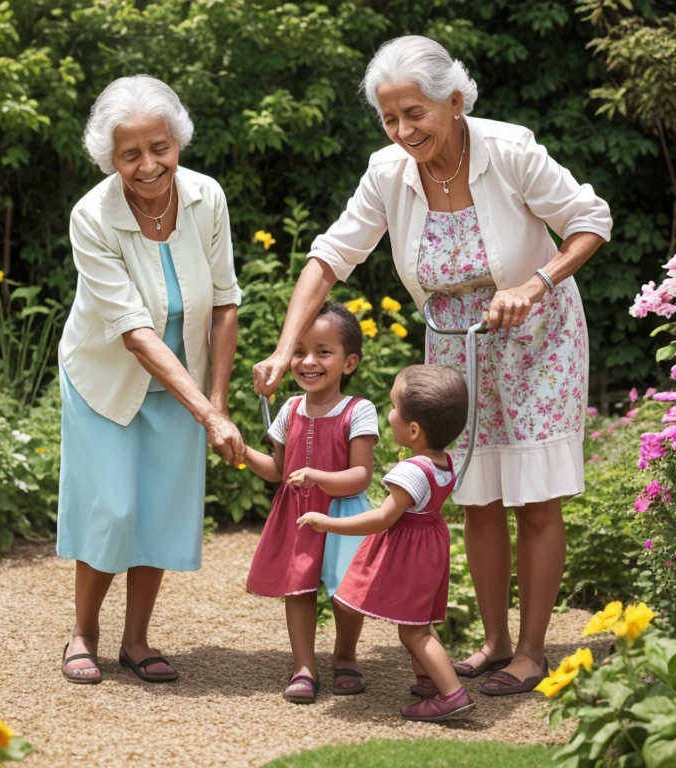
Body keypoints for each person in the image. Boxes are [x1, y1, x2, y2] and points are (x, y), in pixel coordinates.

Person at [254, 35, 613, 695]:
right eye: (390, 117)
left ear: (453, 100)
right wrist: (286, 345)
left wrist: (536, 283)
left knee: (534, 497)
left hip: (538, 337)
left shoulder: (509, 151)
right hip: (455, 344)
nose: (403, 130)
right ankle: (495, 641)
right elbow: (331, 255)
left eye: (414, 112)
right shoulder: (387, 171)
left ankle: (531, 652)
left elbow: (591, 219)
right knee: (474, 494)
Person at [57, 75, 245, 685]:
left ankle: (136, 641)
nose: (147, 164)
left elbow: (223, 301)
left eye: (159, 148)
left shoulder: (205, 197)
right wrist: (209, 414)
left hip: (183, 382)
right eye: (130, 153)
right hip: (106, 376)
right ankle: (83, 633)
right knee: (112, 508)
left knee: (159, 510)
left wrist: (215, 397)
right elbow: (133, 330)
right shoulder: (93, 216)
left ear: (178, 141)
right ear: (110, 158)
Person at [299, 364, 473, 721]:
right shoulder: (445, 461)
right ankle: (427, 680)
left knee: (414, 633)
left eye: (393, 407)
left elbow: (381, 518)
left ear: (412, 429)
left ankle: (452, 695)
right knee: (419, 621)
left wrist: (326, 522)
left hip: (409, 552)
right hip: (430, 547)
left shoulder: (411, 470)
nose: (388, 413)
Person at [241, 301, 380, 704]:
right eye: (299, 351)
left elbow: (361, 475)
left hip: (342, 513)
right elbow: (276, 470)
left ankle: (346, 654)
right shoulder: (289, 408)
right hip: (298, 514)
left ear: (348, 362)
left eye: (323, 351)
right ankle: (304, 665)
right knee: (297, 588)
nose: (308, 361)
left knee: (346, 590)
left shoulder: (359, 410)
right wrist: (243, 451)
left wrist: (318, 477)